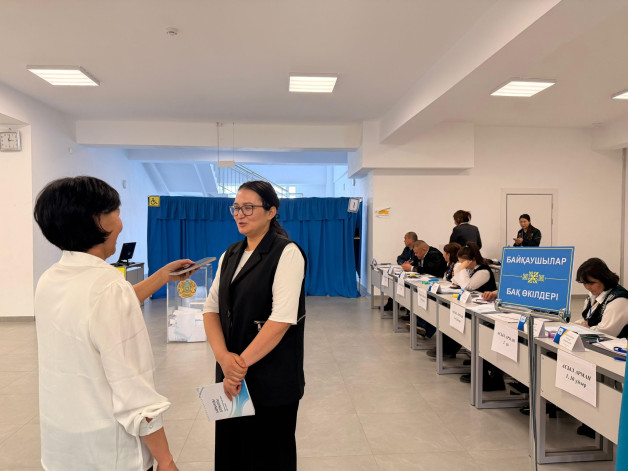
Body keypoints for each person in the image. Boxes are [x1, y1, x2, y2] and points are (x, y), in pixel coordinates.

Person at [33, 176, 192, 471]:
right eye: (116, 213)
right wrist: (165, 459)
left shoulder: (50, 279)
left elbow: (101, 311)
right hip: (109, 452)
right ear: (99, 220)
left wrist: (160, 277)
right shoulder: (108, 288)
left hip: (61, 446)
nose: (120, 224)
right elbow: (134, 390)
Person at [202, 181, 306, 471]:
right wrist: (224, 360)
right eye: (236, 207)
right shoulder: (231, 253)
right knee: (232, 454)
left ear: (271, 211)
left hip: (270, 379)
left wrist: (238, 366)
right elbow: (211, 309)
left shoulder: (286, 253)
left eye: (248, 207)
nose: (240, 214)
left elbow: (281, 319)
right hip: (231, 378)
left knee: (268, 457)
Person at [575, 258, 628, 337]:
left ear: (604, 279)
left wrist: (584, 328)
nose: (587, 287)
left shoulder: (619, 300)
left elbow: (606, 333)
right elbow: (585, 319)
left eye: (591, 283)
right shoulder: (593, 294)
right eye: (584, 283)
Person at [384, 231, 418, 311]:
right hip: (407, 272)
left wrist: (409, 264)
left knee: (404, 285)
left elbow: (415, 262)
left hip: (415, 274)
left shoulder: (417, 248)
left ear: (410, 240)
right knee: (396, 282)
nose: (404, 241)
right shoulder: (407, 249)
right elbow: (399, 258)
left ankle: (408, 308)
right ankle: (393, 304)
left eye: (405, 238)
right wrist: (404, 263)